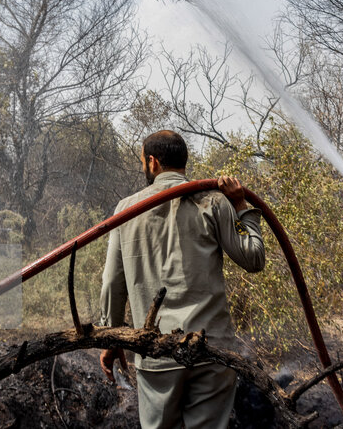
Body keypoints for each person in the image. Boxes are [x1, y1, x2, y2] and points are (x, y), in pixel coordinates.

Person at [98, 130, 266, 429]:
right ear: (183, 161)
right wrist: (241, 207)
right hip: (211, 351)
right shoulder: (214, 202)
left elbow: (112, 283)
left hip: (156, 350)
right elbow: (253, 258)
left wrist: (113, 340)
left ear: (152, 162)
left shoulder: (125, 210)